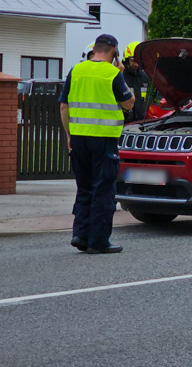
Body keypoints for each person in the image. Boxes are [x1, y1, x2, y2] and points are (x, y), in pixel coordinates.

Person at [59, 34, 135, 254]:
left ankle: (80, 235)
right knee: (103, 189)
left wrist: (69, 134)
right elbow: (129, 102)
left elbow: (64, 106)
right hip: (103, 140)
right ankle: (99, 242)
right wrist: (121, 73)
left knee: (84, 188)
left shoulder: (76, 70)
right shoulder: (112, 73)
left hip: (79, 138)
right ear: (114, 51)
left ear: (95, 49)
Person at [122, 41, 150, 123]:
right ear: (126, 60)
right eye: (133, 60)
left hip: (141, 121)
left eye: (139, 60)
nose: (137, 64)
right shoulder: (120, 76)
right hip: (124, 122)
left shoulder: (144, 77)